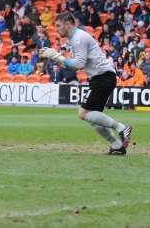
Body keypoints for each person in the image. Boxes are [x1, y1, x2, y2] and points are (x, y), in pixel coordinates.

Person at [40, 12, 132, 155]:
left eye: (58, 25)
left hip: (103, 77)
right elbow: (79, 63)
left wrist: (59, 57)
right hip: (100, 78)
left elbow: (78, 63)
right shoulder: (76, 38)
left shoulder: (78, 39)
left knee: (83, 113)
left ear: (68, 24)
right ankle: (117, 146)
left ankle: (121, 128)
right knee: (94, 118)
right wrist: (62, 60)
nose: (57, 29)